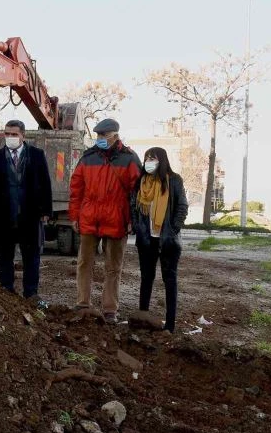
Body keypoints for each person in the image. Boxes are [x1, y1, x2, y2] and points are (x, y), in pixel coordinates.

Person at [69, 118, 142, 323]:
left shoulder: (129, 159)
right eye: (98, 135)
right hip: (90, 218)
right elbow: (76, 189)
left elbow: (137, 194)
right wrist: (74, 215)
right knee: (84, 263)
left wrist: (132, 220)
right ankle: (83, 304)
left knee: (113, 267)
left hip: (117, 219)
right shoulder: (88, 157)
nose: (100, 138)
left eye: (104, 135)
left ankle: (110, 309)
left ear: (115, 135)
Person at [0, 119, 53, 306]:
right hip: (4, 215)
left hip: (30, 215)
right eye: (7, 134)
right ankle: (6, 291)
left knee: (32, 256)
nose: (10, 137)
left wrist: (46, 210)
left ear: (23, 135)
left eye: (14, 134)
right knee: (4, 256)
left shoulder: (36, 156)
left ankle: (31, 294)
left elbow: (45, 183)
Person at [130, 147, 188, 333]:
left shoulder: (174, 181)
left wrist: (174, 228)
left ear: (161, 160)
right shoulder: (141, 182)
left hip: (168, 241)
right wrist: (138, 227)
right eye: (146, 158)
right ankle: (143, 318)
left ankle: (170, 325)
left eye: (152, 158)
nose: (148, 161)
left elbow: (182, 206)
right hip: (146, 240)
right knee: (146, 278)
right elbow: (134, 206)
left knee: (169, 280)